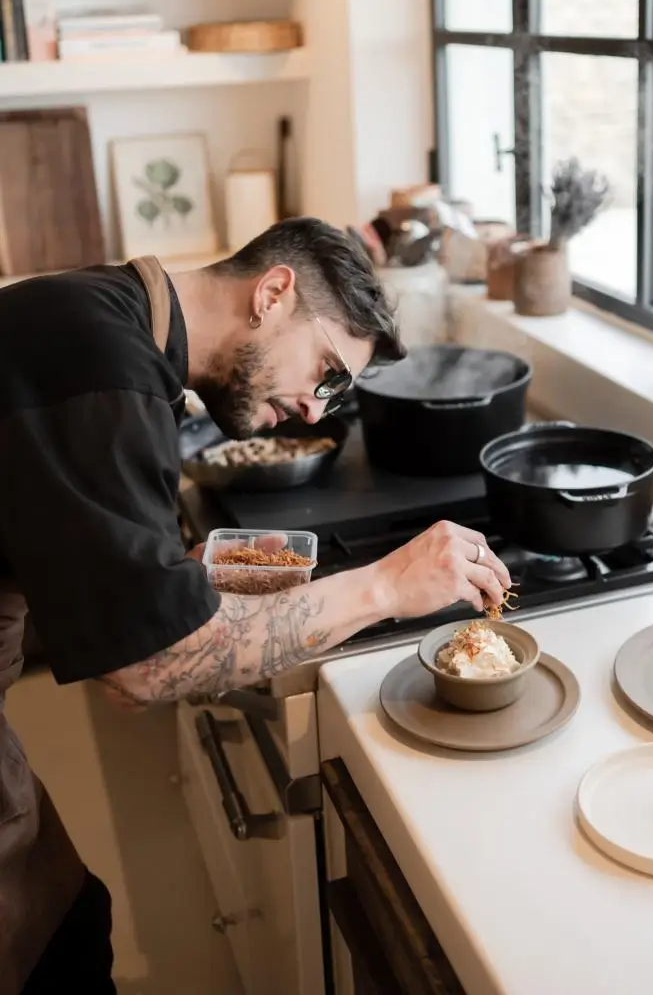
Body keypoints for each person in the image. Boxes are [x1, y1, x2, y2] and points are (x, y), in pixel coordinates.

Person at [0, 216, 511, 993]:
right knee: (53, 953)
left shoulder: (109, 322)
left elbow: (125, 566)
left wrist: (275, 569)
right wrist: (384, 587)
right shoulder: (107, 365)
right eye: (328, 371)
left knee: (67, 925)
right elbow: (148, 666)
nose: (317, 409)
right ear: (273, 293)